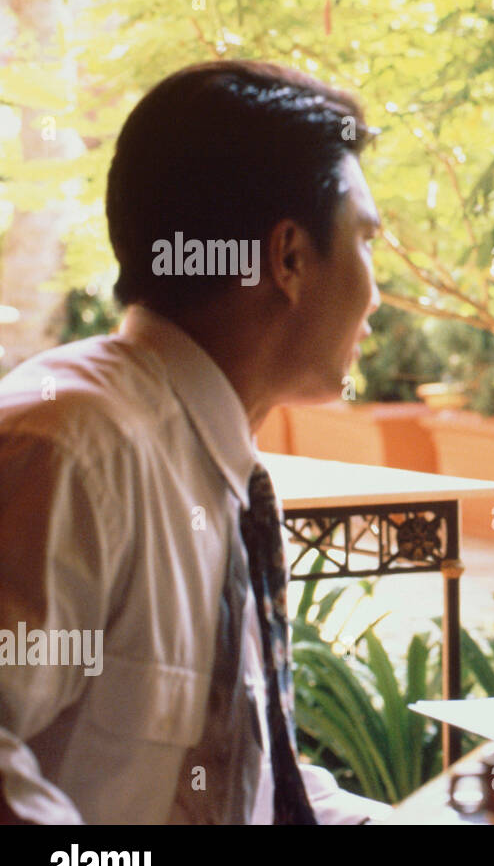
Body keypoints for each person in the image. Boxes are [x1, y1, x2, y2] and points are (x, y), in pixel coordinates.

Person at [0, 61, 390, 823]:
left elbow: (249, 783)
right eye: (366, 241)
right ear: (288, 258)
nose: (376, 291)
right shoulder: (73, 449)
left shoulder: (211, 464)